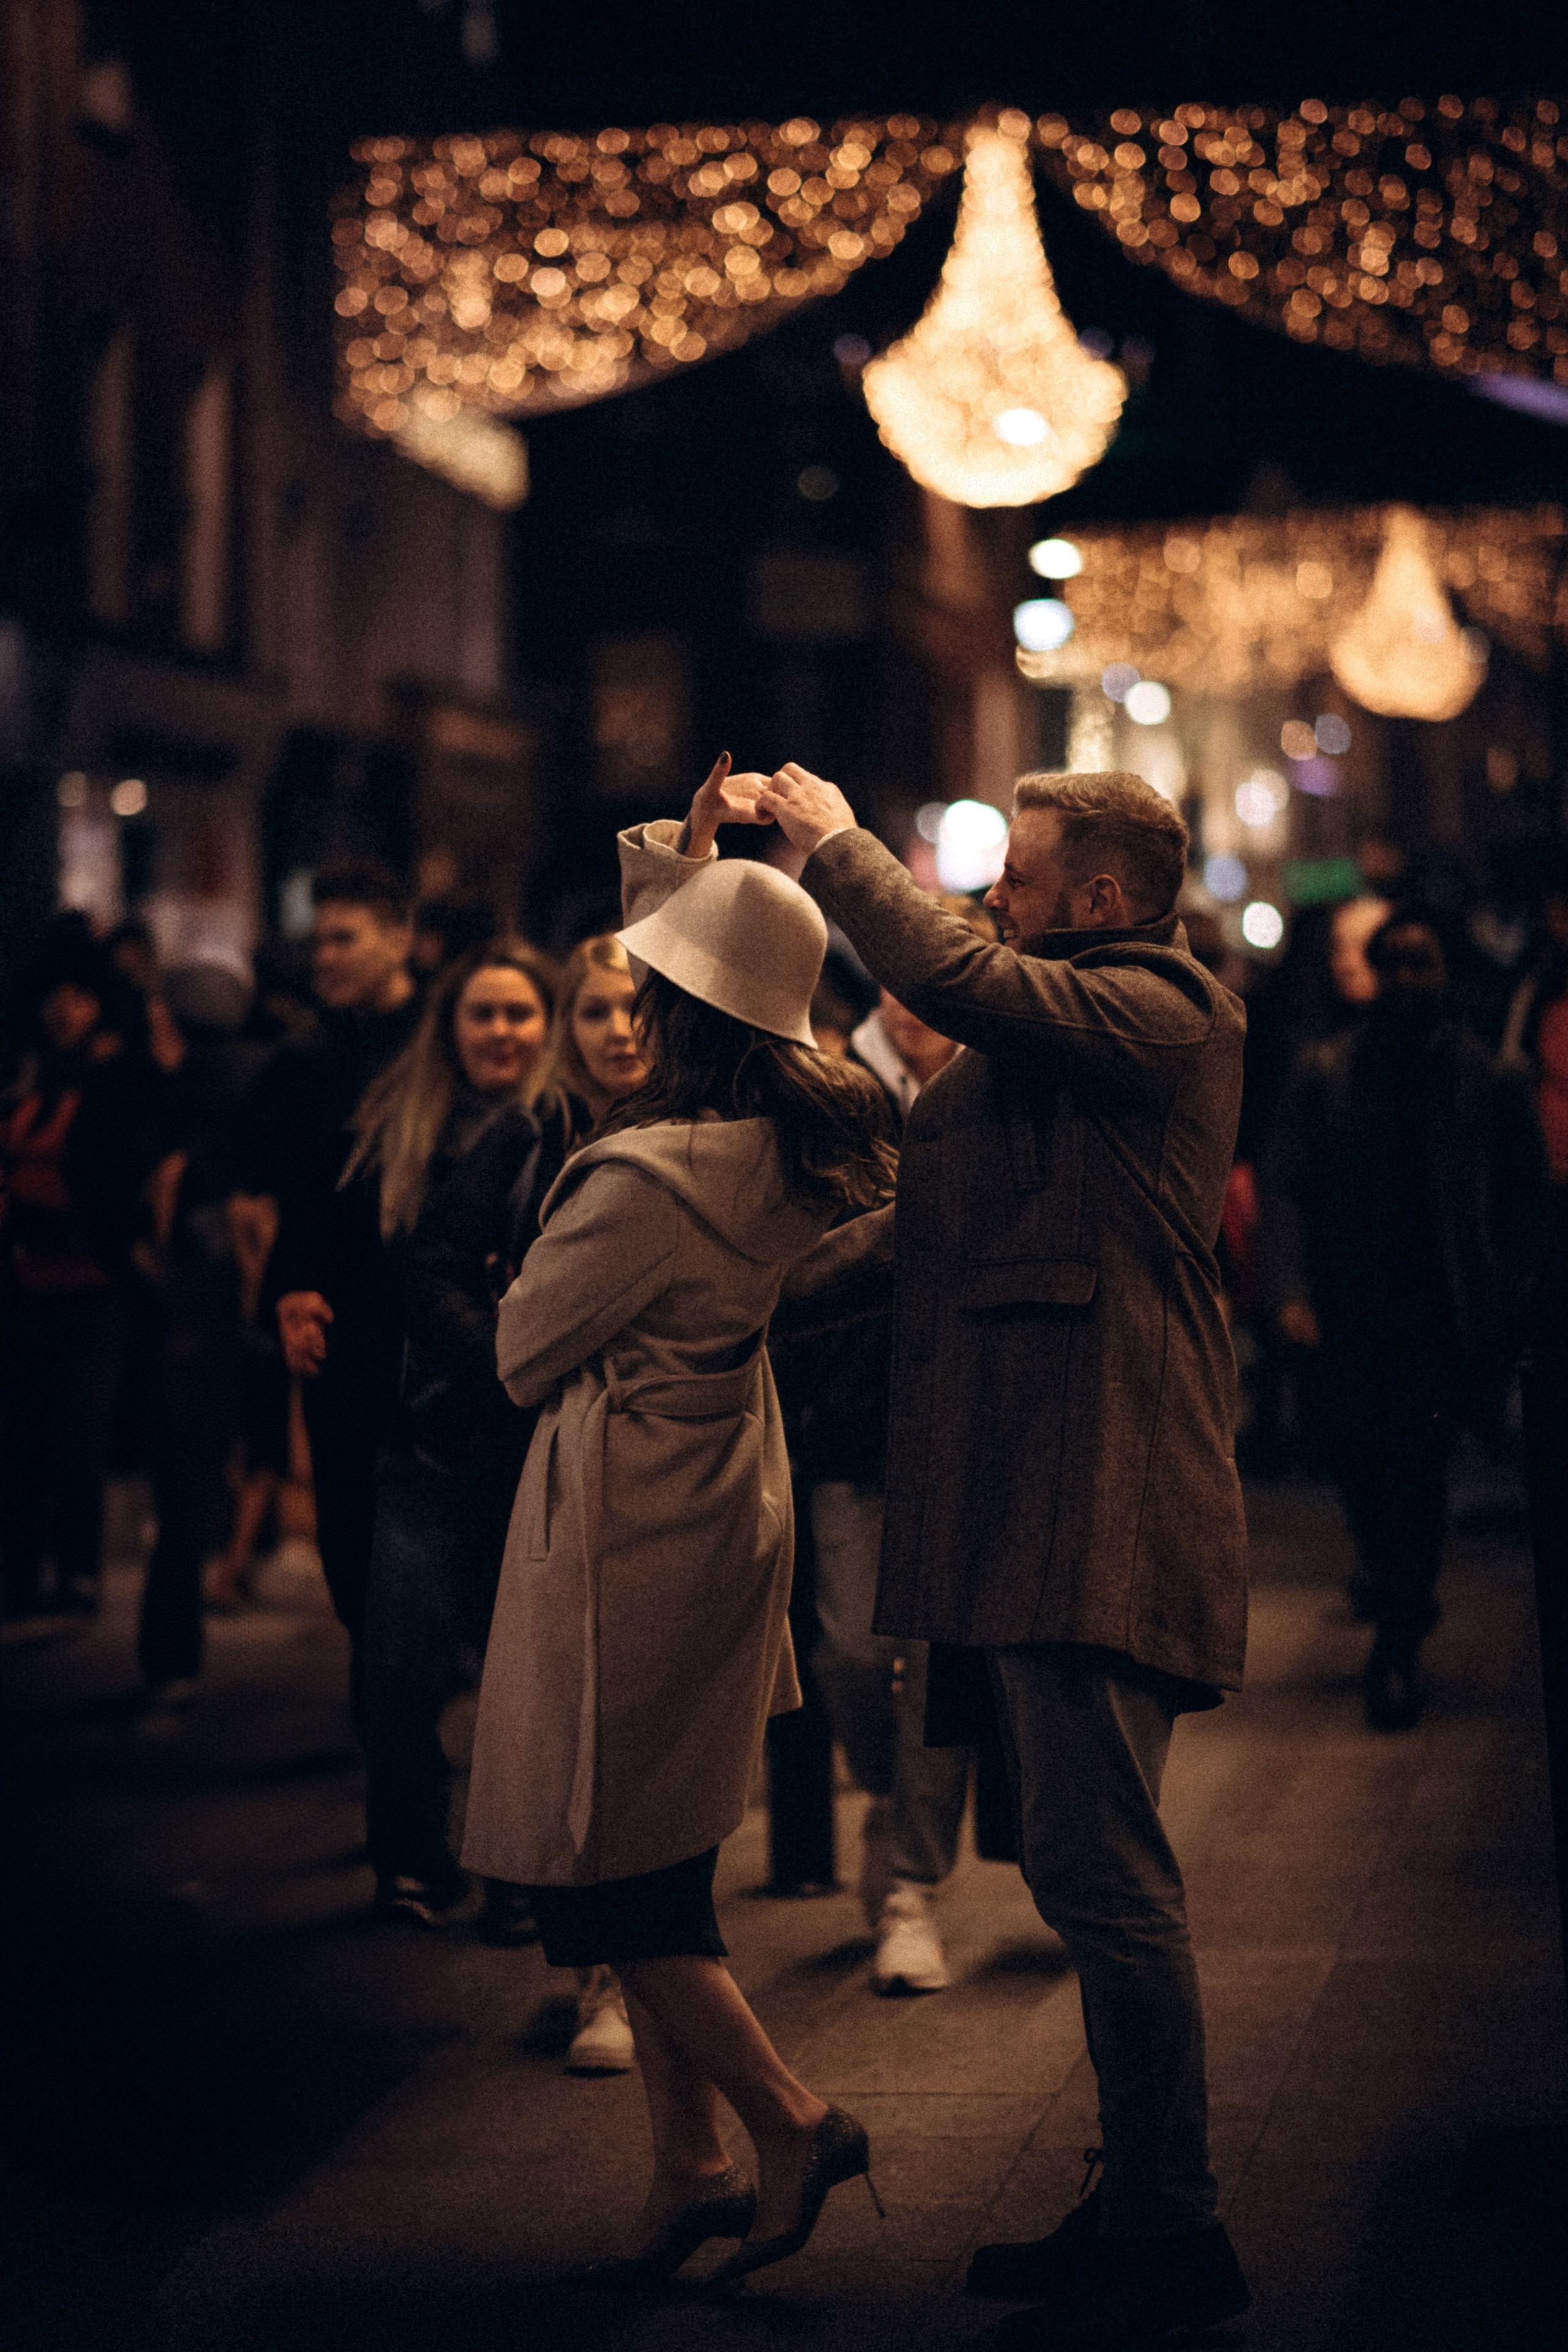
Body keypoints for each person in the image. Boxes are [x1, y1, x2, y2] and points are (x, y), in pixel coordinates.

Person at [756, 761, 1253, 2346]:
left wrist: (839, 848)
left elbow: (951, 974)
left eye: (1020, 877)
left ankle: (1172, 2225)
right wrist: (741, 1310)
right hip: (1022, 1492)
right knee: (1072, 1863)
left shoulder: (1163, 1011)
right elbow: (921, 1232)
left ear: (1100, 899)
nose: (993, 897)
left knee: (1106, 1875)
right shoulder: (1044, 1034)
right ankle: (1142, 2195)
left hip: (1103, 1491)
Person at [462, 757, 893, 2288]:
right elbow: (725, 961)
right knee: (664, 1850)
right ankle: (687, 2167)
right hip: (718, 1497)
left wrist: (532, 1280)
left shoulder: (638, 1179)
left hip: (624, 1524)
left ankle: (788, 2120)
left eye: (649, 996)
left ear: (676, 1018)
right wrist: (688, 858)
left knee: (603, 1873)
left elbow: (522, 1352)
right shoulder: (786, 1142)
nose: (628, 1011)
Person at [1263, 914, 1547, 1730]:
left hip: (1435, 1317)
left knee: (1416, 1477)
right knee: (1358, 1467)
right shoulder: (1327, 1070)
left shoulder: (1486, 1077)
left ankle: (1397, 1640)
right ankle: (1397, 1592)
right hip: (1348, 1311)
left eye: (1422, 963)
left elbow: (1525, 1195)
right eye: (1395, 964)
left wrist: (1509, 1289)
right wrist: (1289, 1292)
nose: (1408, 980)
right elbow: (1286, 1187)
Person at [345, 941, 564, 1930]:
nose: (502, 1032)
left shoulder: (563, 1133)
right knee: (399, 1669)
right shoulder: (396, 1131)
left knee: (525, 1679)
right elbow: (360, 1272)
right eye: (484, 1013)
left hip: (528, 1443)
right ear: (451, 1027)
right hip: (421, 1436)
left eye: (520, 1013)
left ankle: (520, 1875)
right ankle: (412, 1860)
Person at [799, 906, 996, 1994]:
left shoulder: (1001, 1084)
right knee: (847, 1652)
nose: (911, 1003)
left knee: (937, 1666)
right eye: (898, 980)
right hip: (854, 1416)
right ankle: (884, 1794)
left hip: (963, 1422)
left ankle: (915, 1887)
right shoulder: (839, 1087)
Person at [234, 863, 421, 1678]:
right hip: (338, 1325)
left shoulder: (439, 1039)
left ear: (400, 939)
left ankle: (405, 1694)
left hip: (427, 1320)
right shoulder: (305, 1054)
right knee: (347, 1531)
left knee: (422, 1531)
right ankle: (379, 1694)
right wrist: (286, 1294)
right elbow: (280, 1193)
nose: (327, 957)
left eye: (346, 939)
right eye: (320, 942)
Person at [1, 936, 164, 1624]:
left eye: (81, 998)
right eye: (57, 998)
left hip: (91, 1287)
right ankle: (19, 1576)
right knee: (18, 1435)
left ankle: (77, 1571)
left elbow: (112, 1191)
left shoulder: (112, 1082)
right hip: (25, 1284)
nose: (65, 1010)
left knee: (77, 1435)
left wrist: (39, 1214)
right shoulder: (28, 1079)